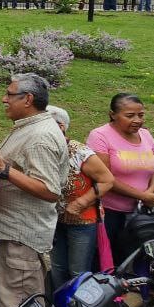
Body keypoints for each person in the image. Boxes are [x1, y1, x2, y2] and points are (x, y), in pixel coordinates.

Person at [0, 74, 65, 307]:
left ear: (28, 99)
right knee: (13, 301)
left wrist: (2, 167)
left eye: (10, 95)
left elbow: (49, 190)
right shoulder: (30, 127)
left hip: (21, 238)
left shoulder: (40, 137)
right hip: (14, 233)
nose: (4, 99)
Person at [86, 93, 154, 264]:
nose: (137, 120)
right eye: (130, 116)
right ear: (113, 114)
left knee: (132, 257)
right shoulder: (100, 136)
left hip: (140, 212)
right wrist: (142, 196)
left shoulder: (146, 135)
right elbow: (105, 178)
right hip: (109, 211)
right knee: (104, 259)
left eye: (141, 115)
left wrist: (149, 192)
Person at [47, 106, 115, 287]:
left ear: (60, 127)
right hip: (54, 219)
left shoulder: (79, 152)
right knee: (58, 267)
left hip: (82, 222)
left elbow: (107, 180)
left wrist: (80, 202)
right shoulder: (45, 151)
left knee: (78, 271)